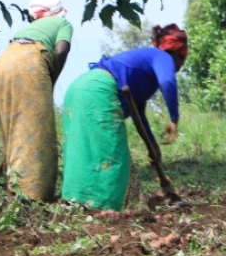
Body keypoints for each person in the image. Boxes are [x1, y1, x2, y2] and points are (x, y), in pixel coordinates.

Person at [60, 24, 187, 211]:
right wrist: (174, 119)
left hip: (80, 87)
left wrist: (152, 145)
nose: (179, 67)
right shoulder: (162, 57)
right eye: (182, 61)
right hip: (99, 91)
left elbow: (138, 115)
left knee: (83, 150)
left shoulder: (143, 72)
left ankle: (77, 204)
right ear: (178, 55)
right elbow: (168, 81)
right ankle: (106, 209)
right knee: (112, 153)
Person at [0, 0, 73, 201]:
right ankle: (30, 196)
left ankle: (13, 187)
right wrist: (52, 78)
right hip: (29, 63)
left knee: (12, 128)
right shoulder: (62, 22)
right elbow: (61, 49)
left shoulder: (26, 30)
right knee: (36, 131)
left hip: (2, 63)